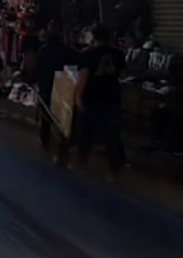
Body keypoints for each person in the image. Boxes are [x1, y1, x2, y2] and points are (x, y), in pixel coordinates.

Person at [73, 26, 126, 180]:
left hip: (92, 97)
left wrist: (78, 97)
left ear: (93, 38)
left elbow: (83, 77)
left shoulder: (88, 55)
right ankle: (114, 169)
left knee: (85, 132)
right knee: (112, 134)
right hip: (111, 97)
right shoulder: (118, 54)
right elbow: (122, 74)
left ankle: (82, 162)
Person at [34, 24, 75, 153]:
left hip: (47, 86)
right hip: (63, 87)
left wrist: (31, 79)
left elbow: (37, 69)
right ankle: (62, 139)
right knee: (62, 116)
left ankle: (45, 139)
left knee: (47, 116)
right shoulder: (66, 50)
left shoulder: (42, 51)